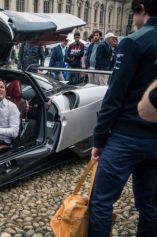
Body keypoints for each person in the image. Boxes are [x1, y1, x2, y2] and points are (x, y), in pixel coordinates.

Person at [89, 0, 157, 236]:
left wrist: (98, 140)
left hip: (128, 136)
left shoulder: (134, 41)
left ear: (141, 8)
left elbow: (114, 95)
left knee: (101, 201)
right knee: (149, 205)